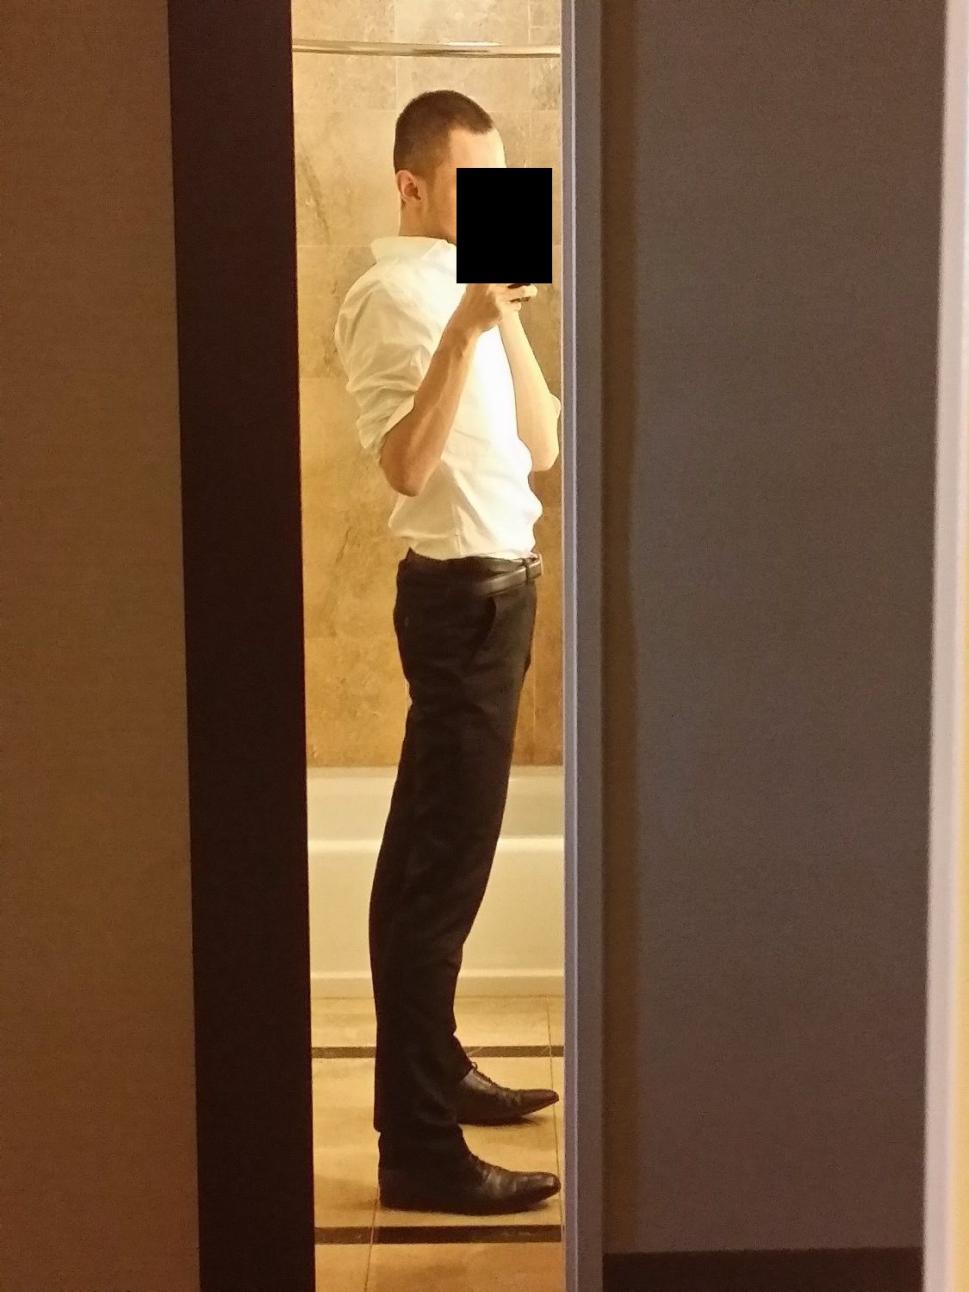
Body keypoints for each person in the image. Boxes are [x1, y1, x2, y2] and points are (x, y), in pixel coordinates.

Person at [334, 89, 563, 1216]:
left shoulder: (468, 291)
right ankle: (419, 1148)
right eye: (476, 187)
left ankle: (438, 1069)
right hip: (458, 603)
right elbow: (405, 466)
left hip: (499, 596)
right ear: (413, 185)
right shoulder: (389, 295)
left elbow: (544, 443)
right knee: (437, 883)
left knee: (426, 869)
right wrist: (466, 328)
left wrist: (500, 312)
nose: (492, 204)